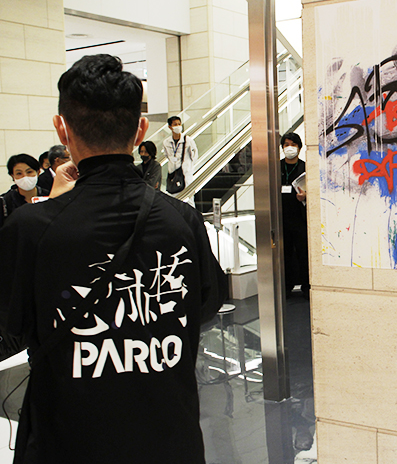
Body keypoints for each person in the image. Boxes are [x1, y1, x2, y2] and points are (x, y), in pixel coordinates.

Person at [0, 54, 227, 464]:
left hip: (69, 443)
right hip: (169, 440)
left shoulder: (30, 229)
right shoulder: (182, 220)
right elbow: (207, 304)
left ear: (62, 129)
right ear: (140, 129)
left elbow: (10, 330)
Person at [280, 132, 310, 299]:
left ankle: (306, 286)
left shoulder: (305, 167)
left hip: (300, 218)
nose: (290, 148)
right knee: (285, 255)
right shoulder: (276, 167)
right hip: (281, 219)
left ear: (299, 147)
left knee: (303, 253)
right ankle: (286, 286)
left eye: (293, 145)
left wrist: (305, 197)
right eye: (286, 145)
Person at [0, 154, 48, 228]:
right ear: (12, 176)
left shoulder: (50, 196)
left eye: (29, 172)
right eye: (19, 173)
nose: (25, 177)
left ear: (38, 172)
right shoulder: (5, 202)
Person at [162, 115, 198, 193]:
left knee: (187, 195)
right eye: (175, 124)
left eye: (179, 124)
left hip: (185, 174)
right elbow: (167, 155)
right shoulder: (166, 142)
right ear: (170, 127)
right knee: (173, 195)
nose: (178, 126)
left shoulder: (188, 140)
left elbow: (195, 156)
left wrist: (188, 167)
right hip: (173, 173)